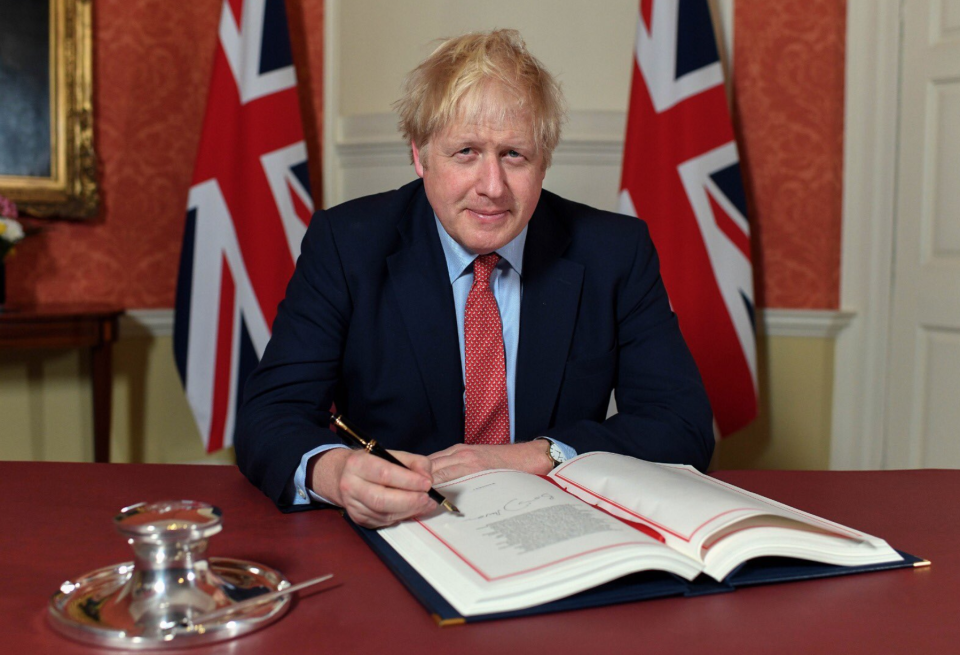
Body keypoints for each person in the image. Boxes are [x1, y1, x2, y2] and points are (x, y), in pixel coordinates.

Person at [235, 29, 713, 528]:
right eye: (465, 152)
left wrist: (534, 457)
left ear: (544, 160)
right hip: (403, 531)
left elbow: (681, 425)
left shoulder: (614, 251)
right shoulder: (346, 244)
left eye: (514, 155)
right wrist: (337, 473)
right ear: (419, 156)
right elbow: (269, 415)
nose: (492, 187)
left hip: (558, 531)